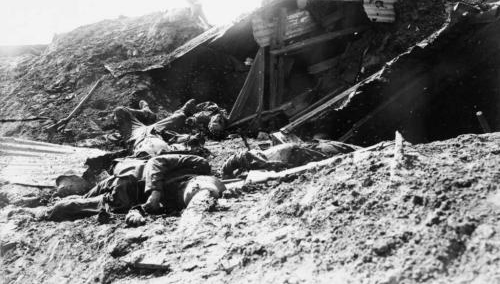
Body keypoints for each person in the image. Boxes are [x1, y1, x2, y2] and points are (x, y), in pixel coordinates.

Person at [43, 154, 225, 226]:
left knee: (74, 205)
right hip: (127, 181)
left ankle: (46, 209)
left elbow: (145, 208)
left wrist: (136, 214)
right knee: (80, 200)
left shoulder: (177, 203)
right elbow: (156, 161)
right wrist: (155, 191)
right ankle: (45, 206)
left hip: (127, 193)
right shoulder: (200, 165)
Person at [221, 140, 359, 179]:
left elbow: (248, 155)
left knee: (333, 153)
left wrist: (267, 164)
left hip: (296, 152)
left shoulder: (248, 158)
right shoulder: (248, 167)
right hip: (295, 153)